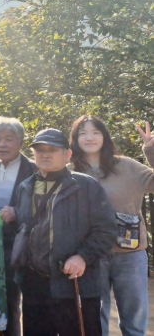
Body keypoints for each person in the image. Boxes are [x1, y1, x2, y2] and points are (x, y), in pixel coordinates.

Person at [3, 128, 116, 336]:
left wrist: (83, 257)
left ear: (68, 154)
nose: (45, 154)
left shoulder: (86, 186)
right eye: (40, 150)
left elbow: (107, 230)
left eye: (52, 150)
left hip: (73, 284)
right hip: (33, 285)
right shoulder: (25, 187)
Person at [69, 116, 154, 336]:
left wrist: (151, 151)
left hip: (130, 255)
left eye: (95, 132)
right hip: (90, 255)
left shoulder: (126, 166)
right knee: (96, 319)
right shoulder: (69, 172)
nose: (89, 137)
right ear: (75, 139)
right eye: (82, 133)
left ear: (104, 137)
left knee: (134, 320)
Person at [0, 117, 35, 336]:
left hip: (22, 245)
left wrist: (17, 213)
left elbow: (44, 207)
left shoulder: (35, 169)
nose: (1, 144)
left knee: (14, 301)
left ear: (21, 142)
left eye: (9, 139)